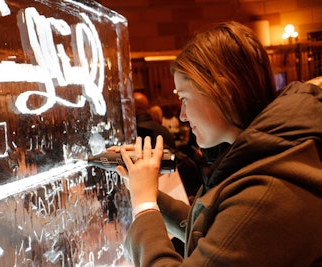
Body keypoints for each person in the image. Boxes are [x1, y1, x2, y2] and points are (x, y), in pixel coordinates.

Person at [109, 21, 322, 266]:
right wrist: (143, 188)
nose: (182, 115)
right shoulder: (269, 153)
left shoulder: (269, 187)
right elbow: (217, 227)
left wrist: (145, 206)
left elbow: (239, 222)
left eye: (185, 98)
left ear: (223, 91)